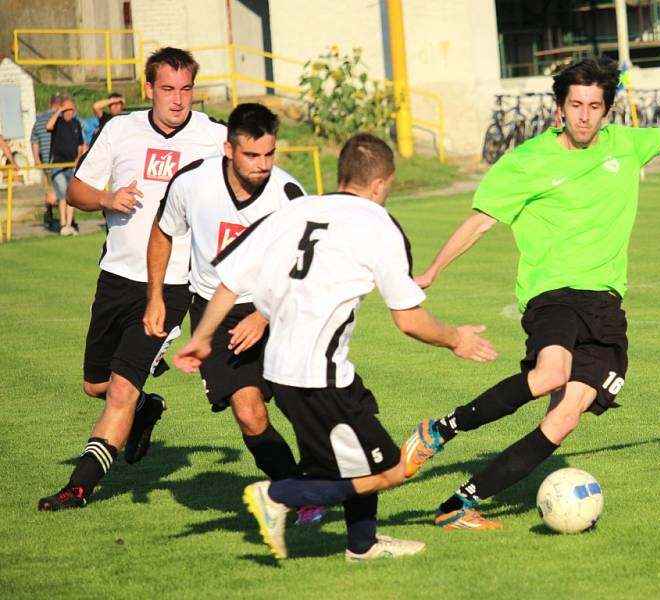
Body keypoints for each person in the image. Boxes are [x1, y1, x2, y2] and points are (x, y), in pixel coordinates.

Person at [401, 57, 660, 529]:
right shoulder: (526, 161)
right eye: (576, 105)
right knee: (550, 374)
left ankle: (458, 504)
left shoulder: (625, 145)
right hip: (554, 295)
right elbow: (481, 221)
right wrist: (433, 271)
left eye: (594, 105)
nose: (584, 115)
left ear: (606, 109)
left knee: (565, 420)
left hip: (606, 306)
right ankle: (440, 431)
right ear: (560, 108)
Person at [174, 133, 496, 561]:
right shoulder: (379, 224)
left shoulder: (295, 211)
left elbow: (230, 279)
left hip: (285, 369)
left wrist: (200, 336)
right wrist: (457, 338)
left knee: (361, 442)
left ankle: (362, 544)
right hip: (317, 375)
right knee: (390, 470)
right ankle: (279, 496)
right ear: (381, 184)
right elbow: (409, 320)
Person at [37, 47, 228, 512]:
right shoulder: (120, 130)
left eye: (185, 89)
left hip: (172, 285)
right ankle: (147, 408)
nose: (178, 100)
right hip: (115, 276)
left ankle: (77, 488)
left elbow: (249, 180)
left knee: (121, 388)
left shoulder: (213, 136)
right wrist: (108, 197)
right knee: (97, 386)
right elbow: (78, 190)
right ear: (148, 90)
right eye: (167, 89)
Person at [144, 103, 323, 525]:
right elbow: (162, 231)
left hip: (279, 305)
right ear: (229, 149)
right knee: (249, 413)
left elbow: (307, 266)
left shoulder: (289, 194)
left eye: (269, 154)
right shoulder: (191, 183)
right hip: (216, 311)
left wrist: (262, 314)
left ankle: (331, 477)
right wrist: (155, 296)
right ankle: (301, 495)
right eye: (251, 155)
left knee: (306, 405)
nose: (262, 165)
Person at [46, 96, 86, 236]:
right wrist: (59, 111)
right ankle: (63, 224)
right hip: (58, 165)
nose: (69, 112)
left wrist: (78, 157)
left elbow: (80, 145)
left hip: (71, 166)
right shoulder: (57, 121)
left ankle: (69, 224)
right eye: (66, 109)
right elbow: (48, 126)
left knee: (70, 196)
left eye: (71, 109)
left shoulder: (76, 123)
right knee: (62, 192)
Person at [30, 94, 61, 232]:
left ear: (50, 104)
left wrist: (36, 158)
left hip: (46, 162)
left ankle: (49, 216)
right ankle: (60, 219)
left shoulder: (39, 120)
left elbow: (34, 140)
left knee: (50, 191)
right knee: (60, 192)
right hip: (60, 161)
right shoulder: (62, 119)